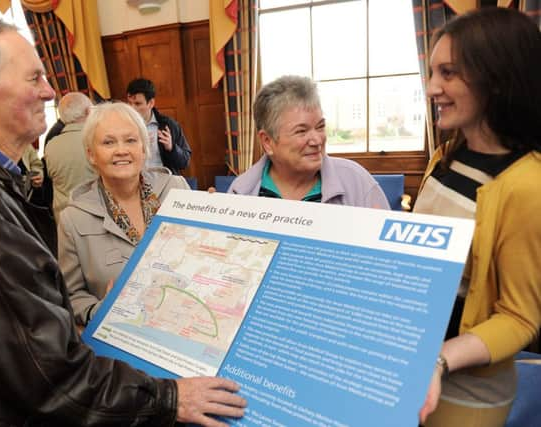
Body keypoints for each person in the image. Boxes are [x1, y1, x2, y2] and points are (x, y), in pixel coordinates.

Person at [0, 19, 245, 426]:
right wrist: (169, 398)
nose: (50, 91)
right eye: (35, 77)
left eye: (131, 140)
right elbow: (50, 377)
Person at [415, 8, 541, 427]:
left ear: (497, 77)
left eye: (448, 73)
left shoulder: (528, 185)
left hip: (465, 387)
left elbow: (520, 318)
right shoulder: (445, 157)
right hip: (408, 363)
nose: (432, 88)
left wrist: (439, 362)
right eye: (432, 72)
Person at [58, 102, 190, 326]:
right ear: (91, 154)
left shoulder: (176, 190)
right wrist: (99, 310)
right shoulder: (73, 218)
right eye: (108, 142)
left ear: (144, 149)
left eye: (130, 140)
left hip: (184, 327)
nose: (121, 150)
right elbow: (70, 295)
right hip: (121, 341)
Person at [228, 75, 389, 208]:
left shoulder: (357, 182)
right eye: (301, 131)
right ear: (267, 142)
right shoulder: (240, 191)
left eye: (320, 127)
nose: (317, 140)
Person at [44, 91, 96, 222]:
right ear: (89, 111)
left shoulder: (51, 145)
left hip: (65, 218)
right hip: (97, 214)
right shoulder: (97, 140)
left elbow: (50, 179)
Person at [126, 77, 191, 174]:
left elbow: (185, 162)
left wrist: (171, 148)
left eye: (137, 104)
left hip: (164, 181)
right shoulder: (123, 128)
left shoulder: (168, 125)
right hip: (134, 182)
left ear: (151, 103)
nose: (132, 108)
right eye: (129, 103)